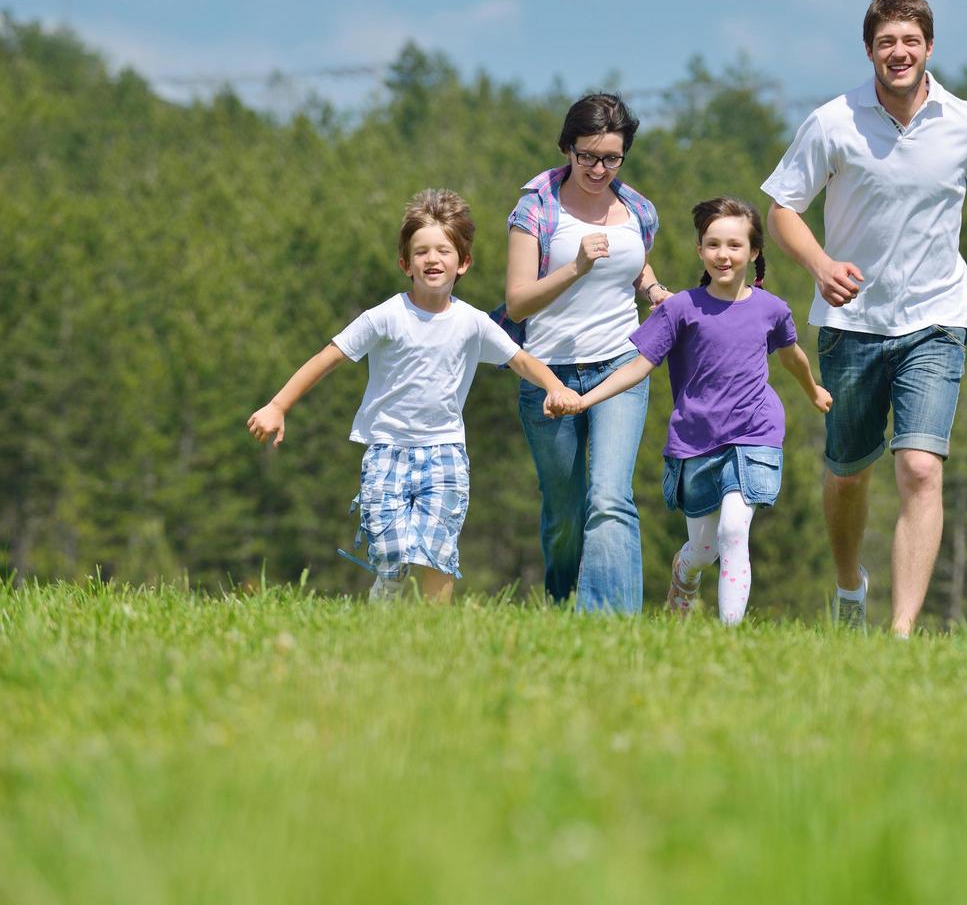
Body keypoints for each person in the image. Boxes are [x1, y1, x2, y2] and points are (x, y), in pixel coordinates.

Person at [761, 0, 967, 636]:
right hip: (852, 324)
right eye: (885, 43)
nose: (897, 53)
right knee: (848, 474)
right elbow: (782, 209)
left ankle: (901, 632)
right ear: (870, 51)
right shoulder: (832, 122)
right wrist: (820, 266)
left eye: (909, 41)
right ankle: (850, 587)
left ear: (928, 47)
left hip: (936, 316)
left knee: (920, 467)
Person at [247, 189, 578, 604]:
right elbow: (327, 358)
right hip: (387, 450)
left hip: (445, 453)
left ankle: (433, 638)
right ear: (406, 264)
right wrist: (278, 406)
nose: (432, 259)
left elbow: (522, 361)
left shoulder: (472, 322)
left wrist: (555, 386)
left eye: (443, 250)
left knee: (437, 554)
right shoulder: (386, 316)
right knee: (391, 553)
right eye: (421, 252)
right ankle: (386, 594)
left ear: (464, 263)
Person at [548, 197, 831, 625]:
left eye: (735, 245)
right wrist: (585, 399)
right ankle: (684, 573)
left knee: (735, 530)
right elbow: (636, 367)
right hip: (696, 439)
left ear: (754, 252)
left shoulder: (771, 309)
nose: (724, 255)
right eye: (713, 244)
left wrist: (812, 391)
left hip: (755, 433)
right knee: (703, 549)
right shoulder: (681, 310)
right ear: (700, 250)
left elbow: (792, 358)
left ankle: (729, 638)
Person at [503, 93, 672, 613]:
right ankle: (561, 607)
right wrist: (574, 267)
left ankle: (610, 623)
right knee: (565, 512)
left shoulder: (639, 210)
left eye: (611, 158)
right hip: (548, 374)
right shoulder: (535, 209)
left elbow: (632, 265)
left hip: (620, 366)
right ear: (567, 149)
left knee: (609, 497)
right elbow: (517, 302)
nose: (599, 169)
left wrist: (654, 289)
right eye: (588, 157)